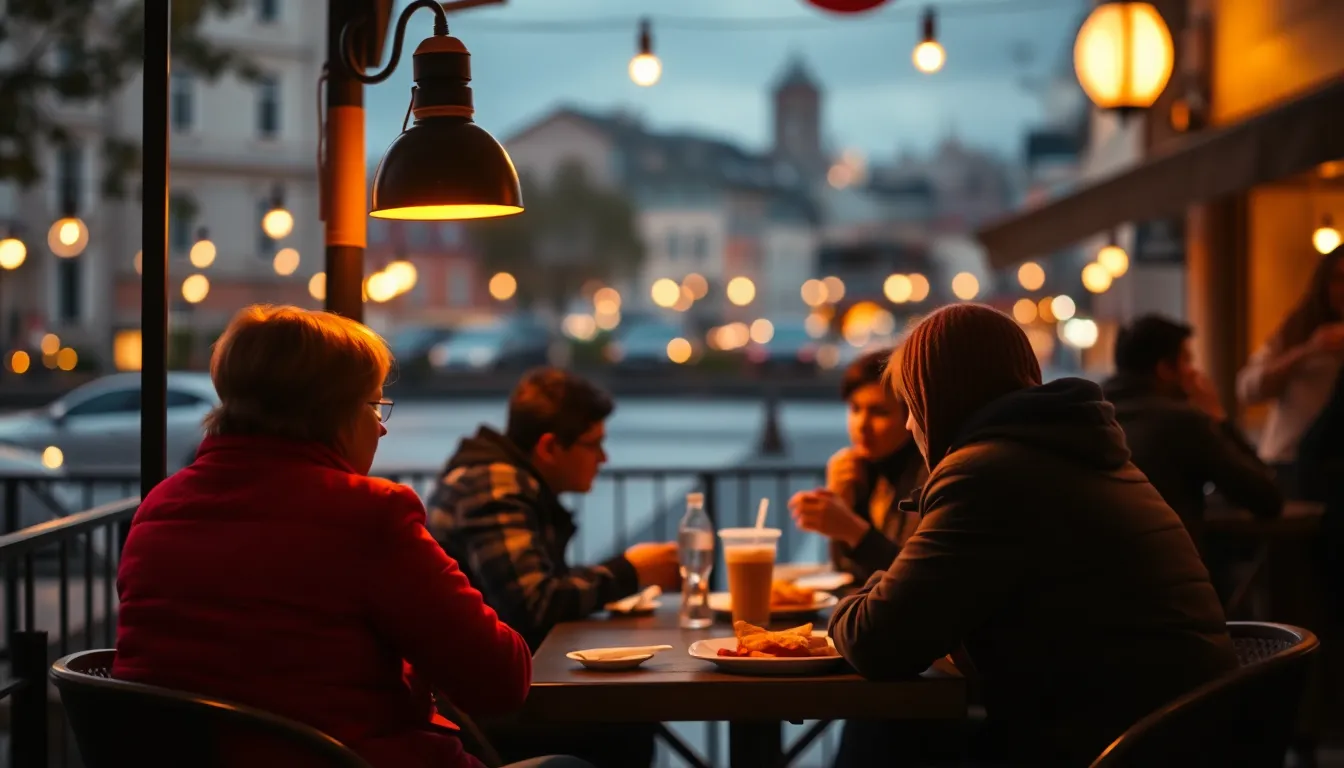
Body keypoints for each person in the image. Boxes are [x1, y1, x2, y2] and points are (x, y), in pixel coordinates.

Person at [114, 305, 584, 768]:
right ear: (331, 411)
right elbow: (500, 679)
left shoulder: (157, 509)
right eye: (373, 405)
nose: (380, 427)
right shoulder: (367, 515)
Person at [829, 304, 1237, 767]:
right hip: (1181, 734)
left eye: (911, 404)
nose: (908, 424)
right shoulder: (1075, 451)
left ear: (937, 397)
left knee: (885, 729)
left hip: (1111, 747)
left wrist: (851, 601)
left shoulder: (987, 473)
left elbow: (876, 641)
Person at [428, 367, 678, 768]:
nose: (604, 458)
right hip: (475, 712)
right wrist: (631, 570)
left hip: (484, 692)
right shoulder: (495, 483)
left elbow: (535, 590)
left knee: (628, 715)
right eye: (593, 444)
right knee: (625, 725)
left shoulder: (505, 478)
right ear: (549, 447)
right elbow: (535, 602)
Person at [1103, 314, 1281, 549]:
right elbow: (1266, 498)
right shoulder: (1182, 422)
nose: (1194, 372)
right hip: (1170, 562)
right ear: (1165, 369)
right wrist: (1218, 416)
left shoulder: (1097, 414)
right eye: (1187, 361)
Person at [789, 347, 927, 584]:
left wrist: (853, 529)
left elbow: (918, 580)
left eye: (879, 412)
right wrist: (845, 503)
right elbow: (846, 571)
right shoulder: (863, 467)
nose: (862, 425)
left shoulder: (925, 476)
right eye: (855, 409)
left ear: (911, 416)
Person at [1237, 246, 1344, 486]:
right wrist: (1309, 350)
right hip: (1288, 460)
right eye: (1338, 279)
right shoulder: (1298, 329)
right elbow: (1247, 388)